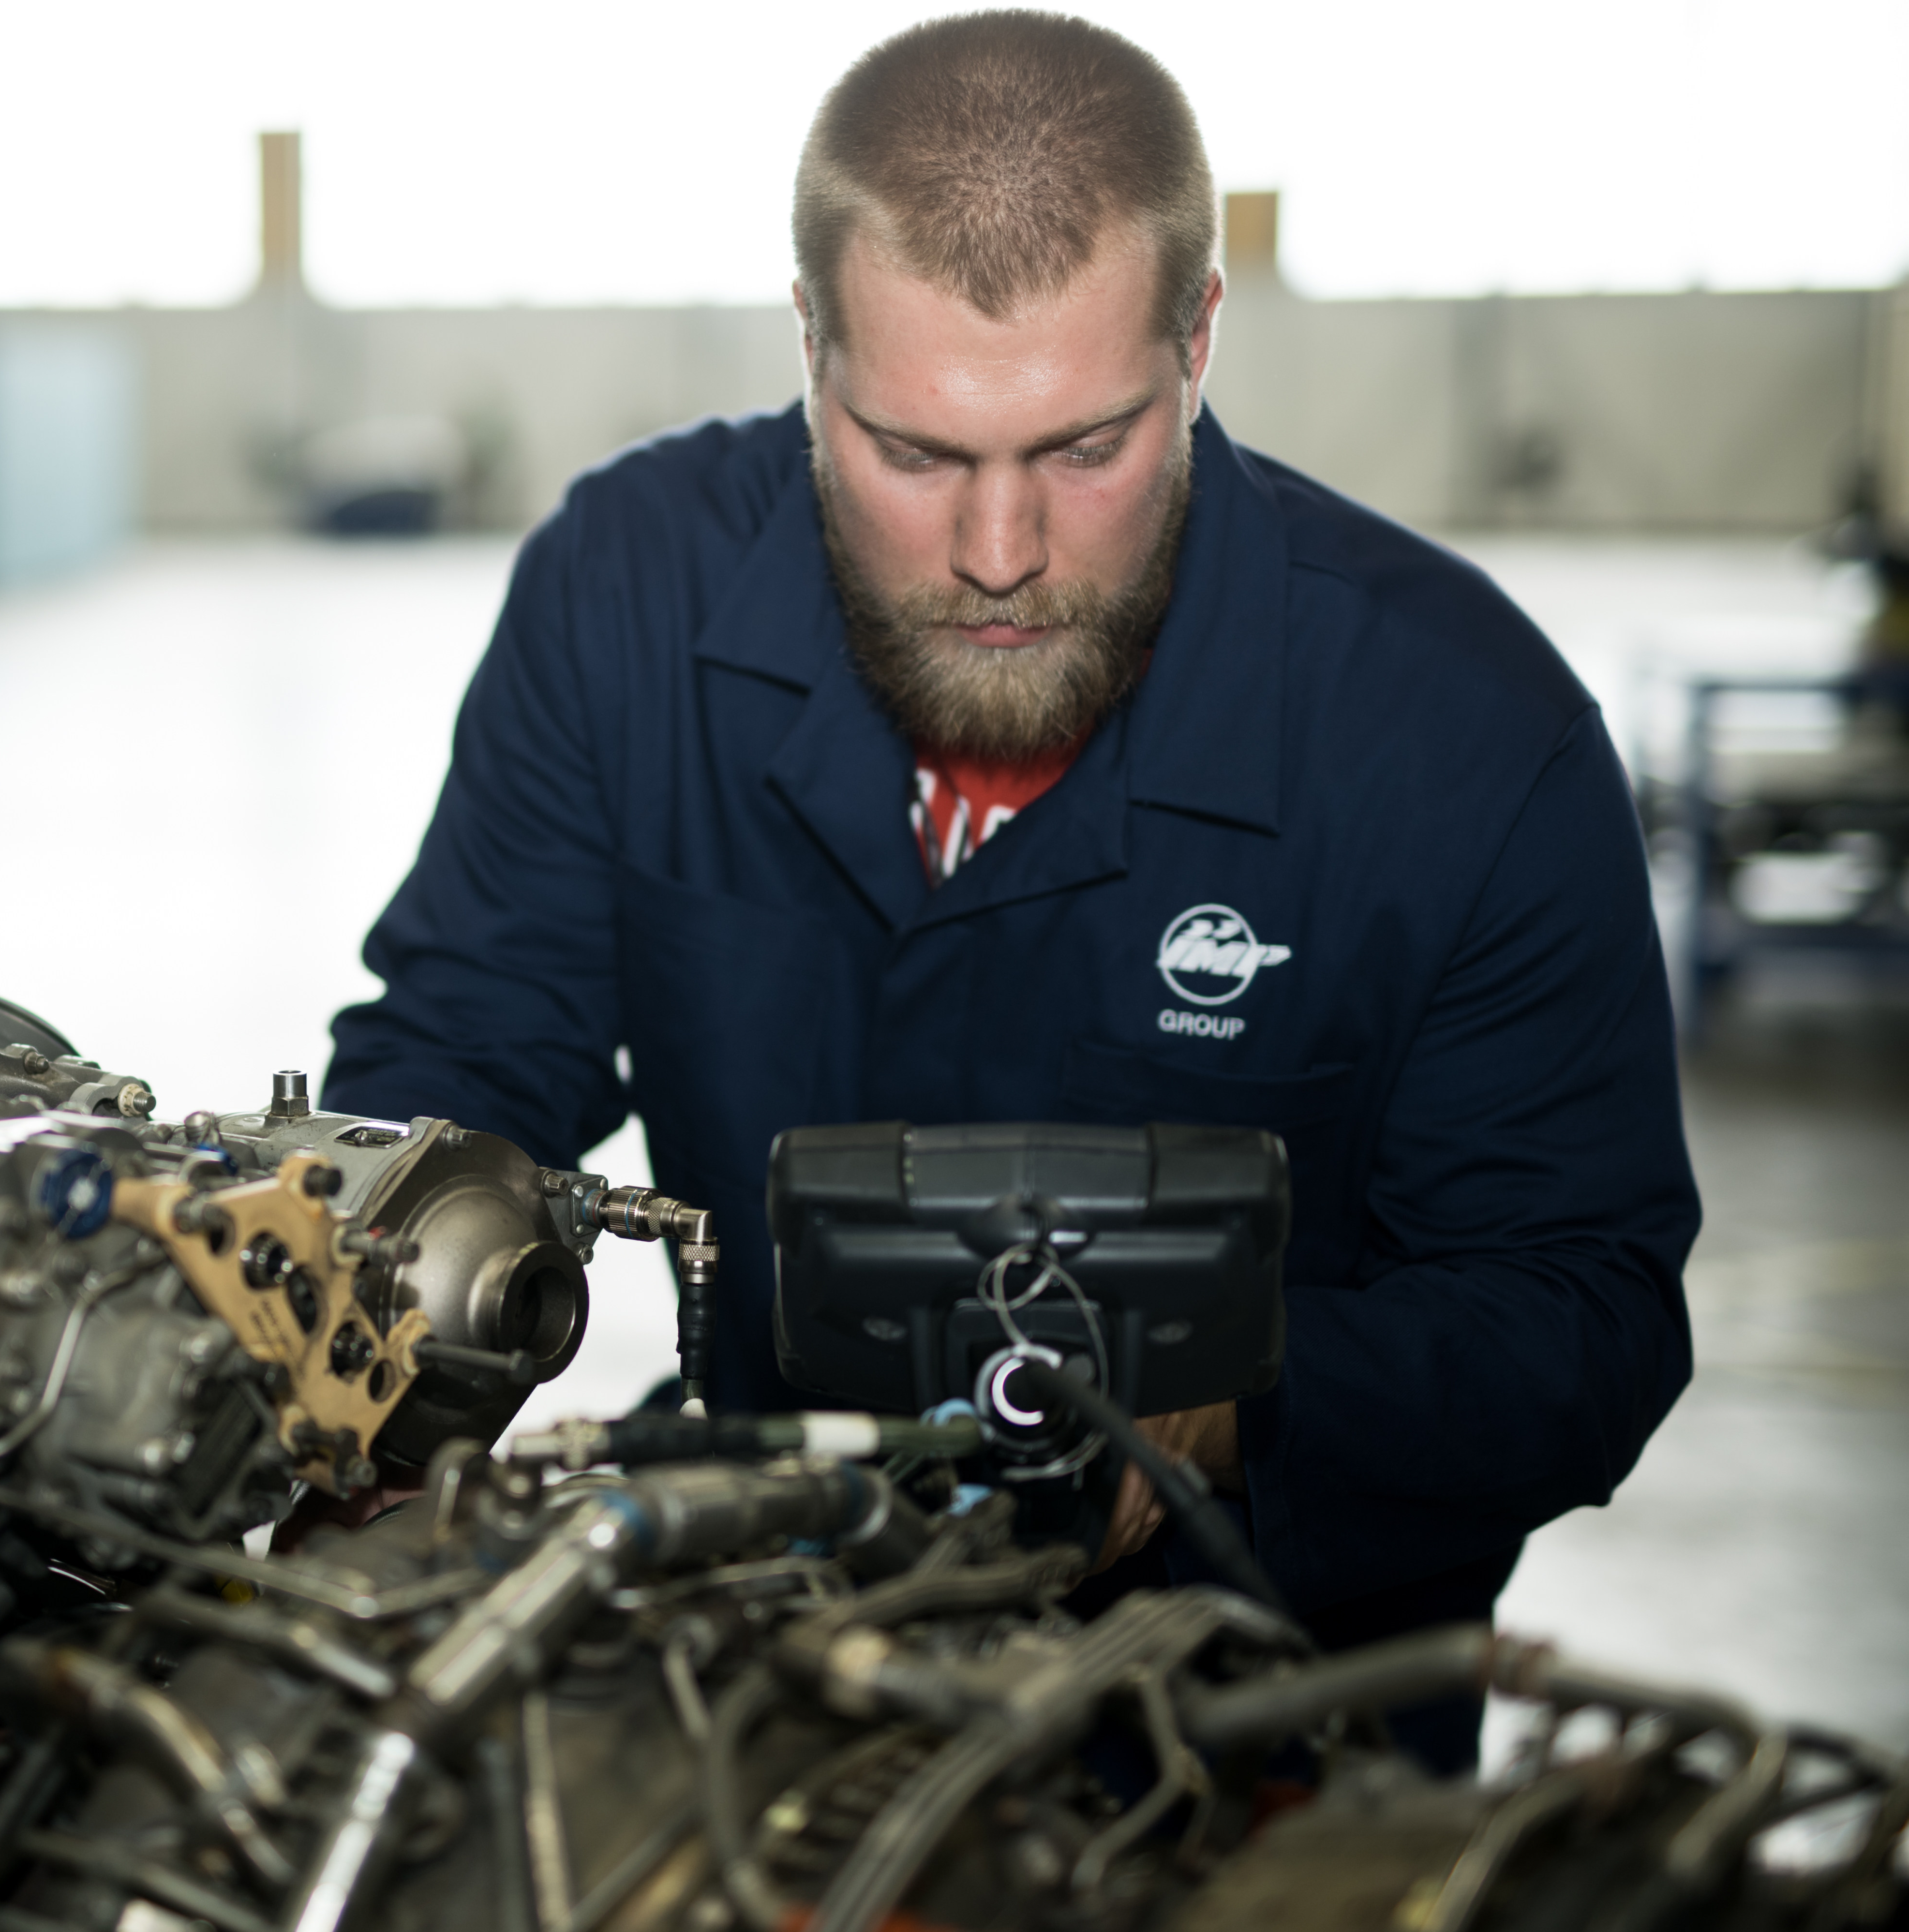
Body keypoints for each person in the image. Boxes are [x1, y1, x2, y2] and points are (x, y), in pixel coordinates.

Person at [321, 10, 1696, 1771]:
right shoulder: (627, 595)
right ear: (810, 344)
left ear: (1200, 338)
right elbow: (459, 1064)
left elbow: (1579, 1314)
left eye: (1083, 448)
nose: (996, 554)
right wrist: (365, 1372)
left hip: (1253, 1730)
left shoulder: (1461, 741)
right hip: (755, 1648)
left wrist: (1216, 1412)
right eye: (911, 453)